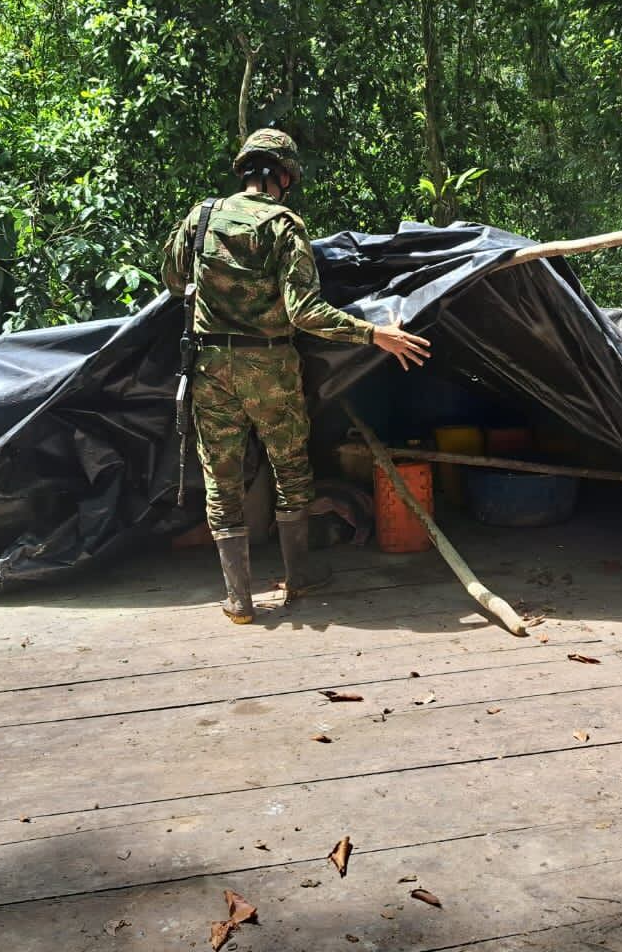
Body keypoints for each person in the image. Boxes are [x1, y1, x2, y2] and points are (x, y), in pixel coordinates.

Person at [161, 128, 431, 623]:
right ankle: (298, 577)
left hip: (210, 368)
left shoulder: (200, 218)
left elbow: (174, 280)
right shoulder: (284, 226)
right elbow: (305, 311)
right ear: (284, 176)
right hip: (271, 369)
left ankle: (239, 600)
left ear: (244, 170)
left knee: (221, 479)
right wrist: (375, 335)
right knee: (290, 471)